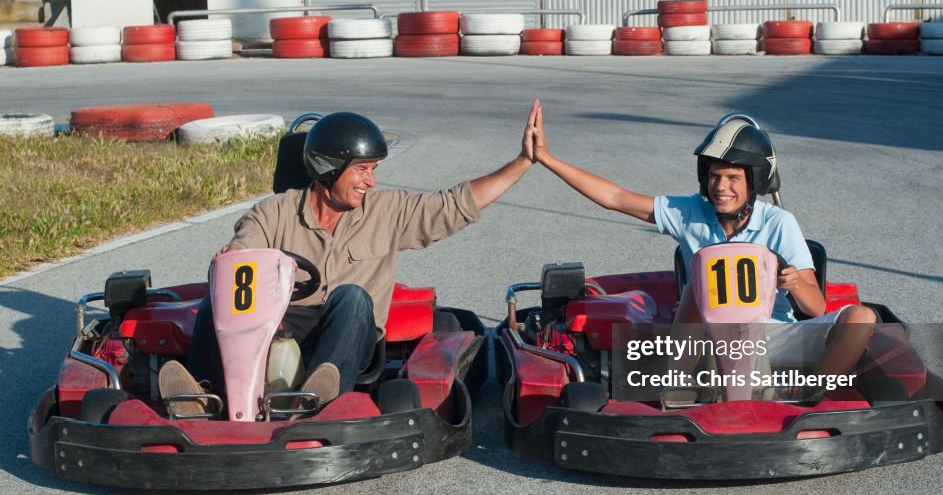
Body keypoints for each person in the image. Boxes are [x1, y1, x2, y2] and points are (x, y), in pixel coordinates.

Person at [160, 102, 543, 415]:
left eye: (373, 170)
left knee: (352, 296)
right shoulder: (273, 213)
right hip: (271, 340)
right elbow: (244, 248)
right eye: (362, 169)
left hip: (346, 343)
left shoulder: (388, 212)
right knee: (220, 293)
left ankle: (320, 396)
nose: (371, 181)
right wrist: (233, 256)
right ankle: (203, 397)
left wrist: (522, 162)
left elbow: (456, 205)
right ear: (328, 168)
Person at [527, 103, 876, 389]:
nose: (721, 186)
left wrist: (794, 282)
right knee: (702, 281)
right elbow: (615, 198)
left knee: (862, 317)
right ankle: (675, 389)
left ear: (753, 181)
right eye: (714, 176)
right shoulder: (690, 212)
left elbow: (816, 308)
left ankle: (814, 398)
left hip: (773, 337)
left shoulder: (778, 223)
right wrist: (547, 158)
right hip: (702, 340)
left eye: (733, 178)